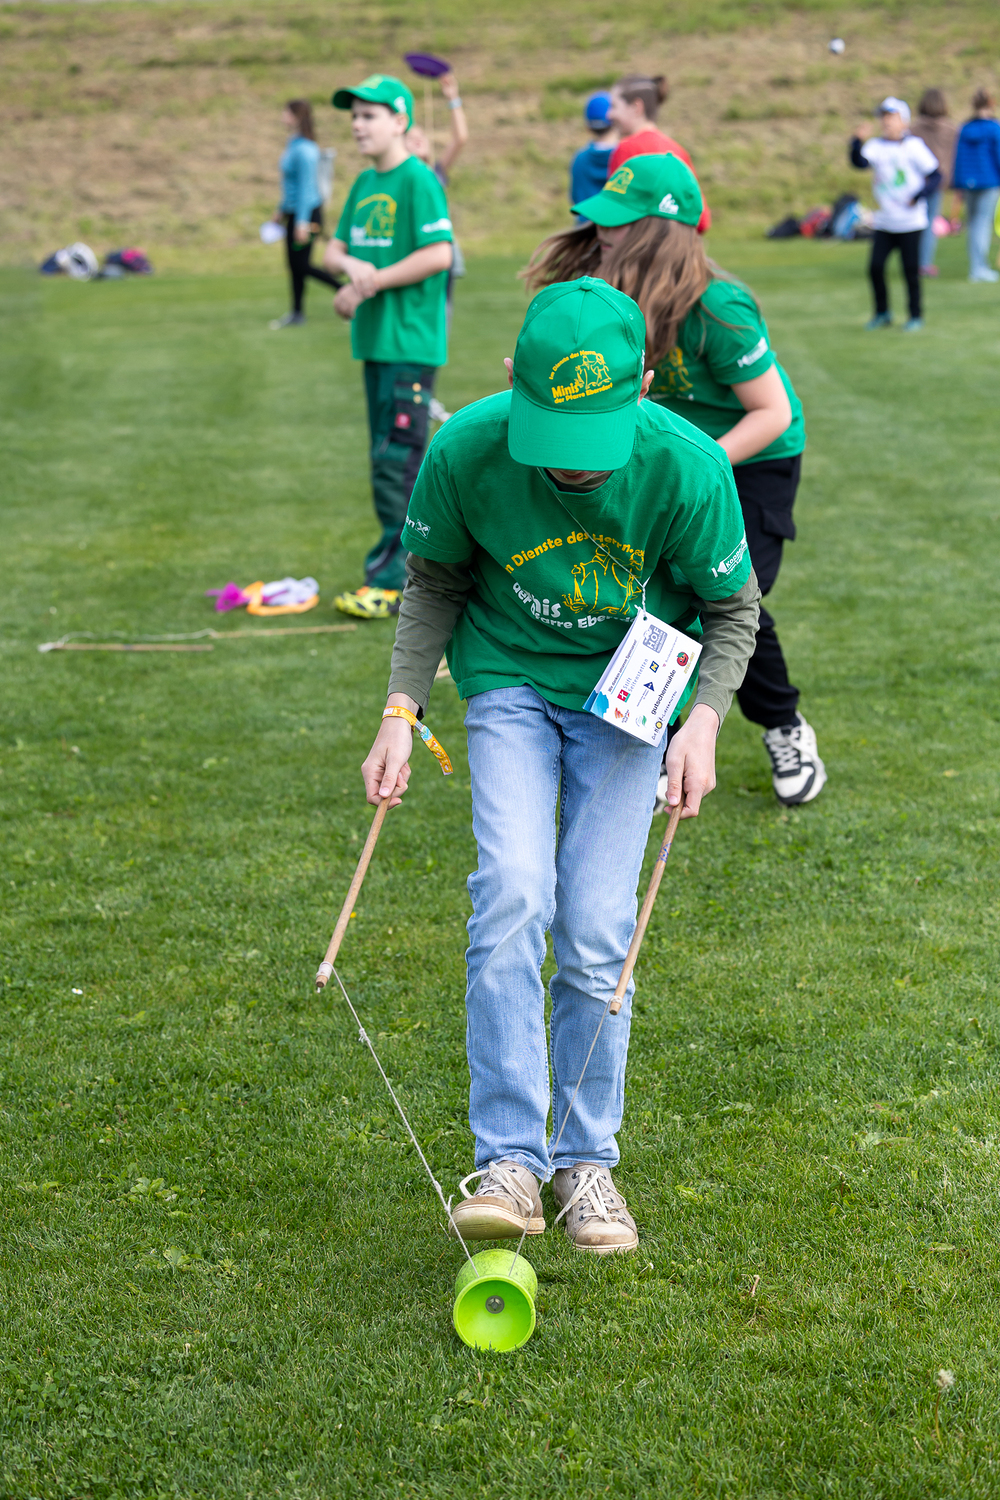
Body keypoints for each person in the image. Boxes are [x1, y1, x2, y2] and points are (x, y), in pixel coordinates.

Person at [362, 278, 759, 1253]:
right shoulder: (464, 449)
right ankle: (510, 1160)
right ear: (512, 380)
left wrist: (705, 722)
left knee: (596, 927)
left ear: (645, 386)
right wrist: (400, 710)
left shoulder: (689, 464)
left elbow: (733, 611)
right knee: (511, 891)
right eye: (553, 439)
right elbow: (433, 583)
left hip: (631, 697)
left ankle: (585, 1162)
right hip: (508, 679)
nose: (574, 466)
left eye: (593, 442)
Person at [525, 153, 823, 808]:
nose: (601, 230)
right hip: (667, 458)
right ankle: (655, 746)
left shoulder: (718, 305)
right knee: (652, 595)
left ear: (661, 230)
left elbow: (772, 412)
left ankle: (784, 727)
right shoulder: (608, 293)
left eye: (619, 220)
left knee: (723, 595)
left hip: (751, 460)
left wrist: (694, 473)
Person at [323, 74, 454, 620]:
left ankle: (397, 580)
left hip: (408, 344)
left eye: (369, 115)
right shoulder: (363, 183)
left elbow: (439, 254)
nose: (357, 125)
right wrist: (353, 270)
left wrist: (370, 282)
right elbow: (333, 251)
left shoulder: (418, 180)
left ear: (400, 120)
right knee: (386, 457)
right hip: (376, 344)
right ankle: (405, 571)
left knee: (398, 462)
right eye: (353, 116)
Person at [850, 97, 941, 330]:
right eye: (883, 116)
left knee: (910, 270)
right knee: (875, 267)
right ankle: (882, 313)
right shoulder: (876, 146)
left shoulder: (914, 146)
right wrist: (856, 141)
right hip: (885, 221)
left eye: (892, 116)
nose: (886, 121)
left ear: (904, 121)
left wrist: (918, 196)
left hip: (910, 222)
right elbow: (859, 162)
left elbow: (935, 175)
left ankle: (915, 315)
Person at [405, 70, 469, 338]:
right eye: (411, 138)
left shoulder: (434, 174)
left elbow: (460, 138)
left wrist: (453, 98)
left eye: (422, 136)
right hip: (411, 254)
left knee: (441, 317)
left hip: (441, 254)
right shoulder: (404, 180)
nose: (419, 139)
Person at [606, 74, 710, 234]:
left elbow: (613, 213)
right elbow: (701, 220)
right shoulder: (678, 151)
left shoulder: (627, 149)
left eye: (614, 106)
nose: (609, 115)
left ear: (636, 107)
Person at [269, 100, 341, 330]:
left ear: (296, 116)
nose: (282, 116)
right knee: (294, 265)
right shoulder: (294, 143)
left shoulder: (306, 150)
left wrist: (301, 222)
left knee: (302, 265)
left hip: (307, 215)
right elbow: (290, 185)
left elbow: (306, 188)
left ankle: (345, 290)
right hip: (294, 213)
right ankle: (297, 312)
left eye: (286, 112)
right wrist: (281, 209)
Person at [952, 88, 1000, 283]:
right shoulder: (994, 128)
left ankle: (976, 266)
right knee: (982, 223)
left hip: (968, 182)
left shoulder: (965, 128)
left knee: (973, 224)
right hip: (989, 181)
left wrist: (959, 182)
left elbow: (959, 158)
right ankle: (980, 268)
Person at [910, 89, 957, 277]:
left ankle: (913, 261)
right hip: (938, 181)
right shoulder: (951, 129)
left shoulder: (913, 129)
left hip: (916, 181)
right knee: (929, 221)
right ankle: (924, 263)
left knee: (914, 223)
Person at [569, 92, 617, 221]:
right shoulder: (624, 157)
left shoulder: (579, 159)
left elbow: (575, 197)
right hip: (614, 228)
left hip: (584, 229)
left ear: (587, 126)